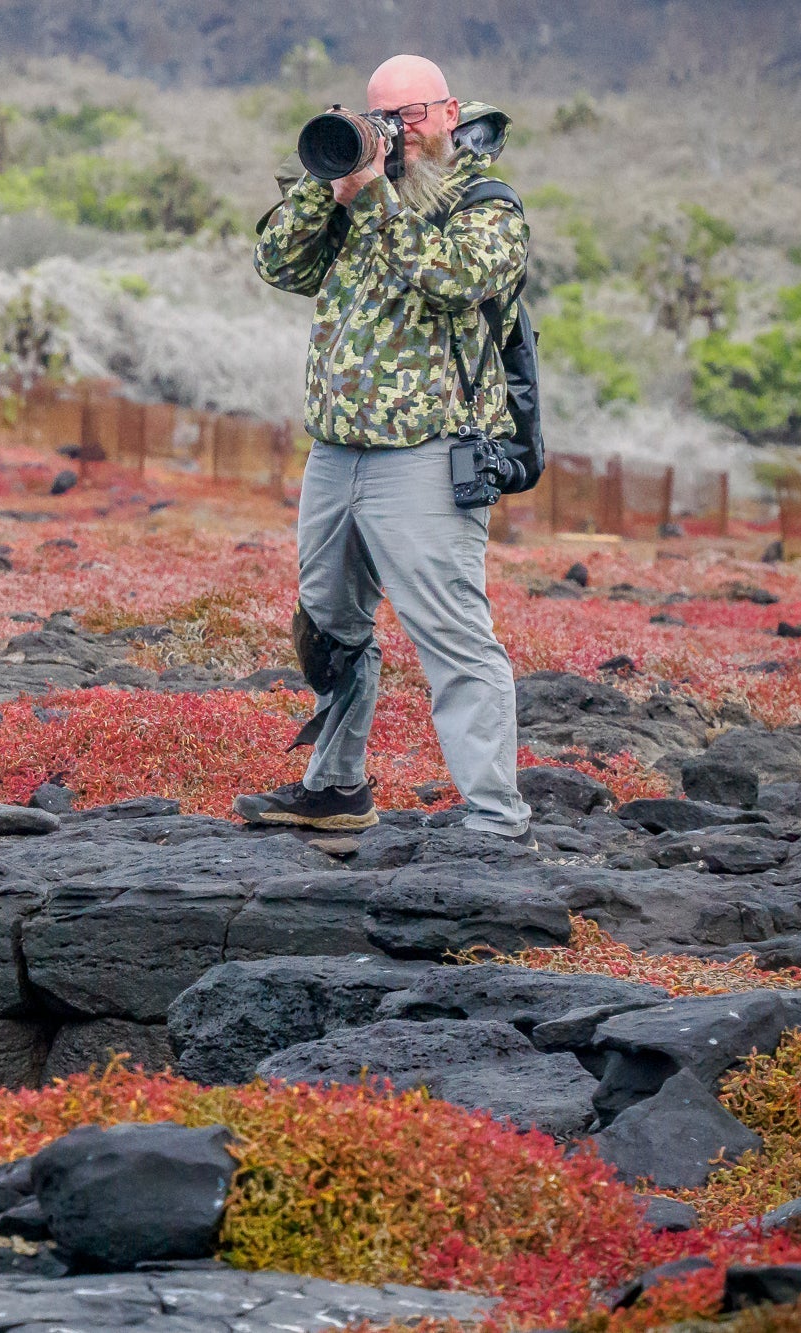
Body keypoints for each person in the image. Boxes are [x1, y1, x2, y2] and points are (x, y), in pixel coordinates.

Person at [234, 53, 533, 841]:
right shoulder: (357, 193)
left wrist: (374, 199)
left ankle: (497, 821)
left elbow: (453, 278)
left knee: (453, 635)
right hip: (336, 451)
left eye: (409, 116)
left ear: (449, 112)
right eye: (382, 118)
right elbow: (276, 263)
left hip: (427, 455)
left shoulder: (486, 204)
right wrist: (326, 180)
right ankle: (336, 789)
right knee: (329, 627)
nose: (397, 132)